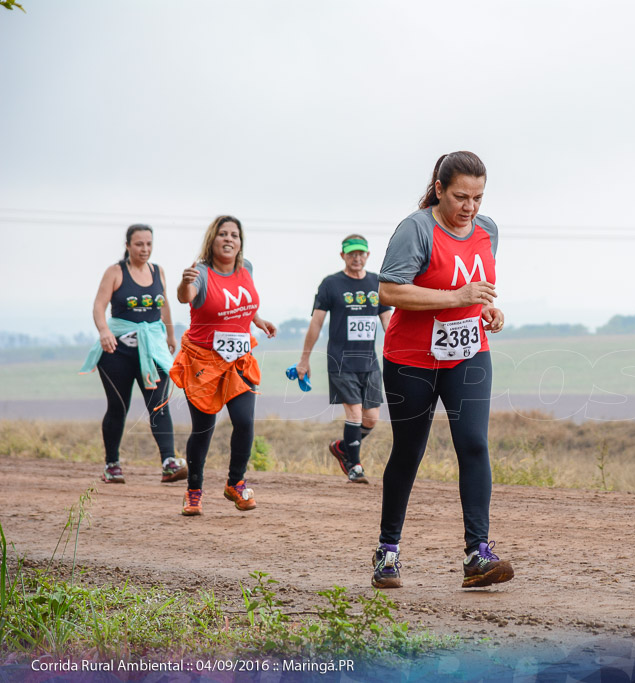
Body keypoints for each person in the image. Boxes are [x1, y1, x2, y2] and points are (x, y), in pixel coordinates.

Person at [372, 151, 514, 590]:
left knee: (473, 444)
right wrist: (457, 298)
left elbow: (479, 287)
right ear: (438, 189)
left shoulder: (487, 230)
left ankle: (477, 554)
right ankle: (387, 552)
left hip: (469, 353)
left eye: (477, 197)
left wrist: (489, 310)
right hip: (412, 359)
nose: (470, 207)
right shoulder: (416, 229)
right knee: (409, 451)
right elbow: (390, 291)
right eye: (460, 196)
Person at [170, 215, 277, 516]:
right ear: (212, 240)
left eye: (235, 235)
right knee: (204, 429)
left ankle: (236, 483)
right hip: (202, 361)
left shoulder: (247, 269)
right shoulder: (201, 273)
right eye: (223, 234)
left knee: (244, 422)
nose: (229, 239)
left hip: (239, 359)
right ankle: (193, 491)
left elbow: (241, 304)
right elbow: (185, 298)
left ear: (240, 242)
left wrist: (258, 320)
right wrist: (184, 283)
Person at [81, 224, 185, 485]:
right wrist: (104, 331)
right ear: (127, 245)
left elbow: (165, 304)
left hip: (152, 350)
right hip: (117, 352)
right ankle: (112, 465)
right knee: (118, 407)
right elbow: (98, 305)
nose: (145, 249)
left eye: (149, 243)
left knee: (159, 405)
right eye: (139, 244)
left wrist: (171, 336)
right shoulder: (115, 272)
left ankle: (169, 463)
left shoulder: (158, 271)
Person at [294, 235, 392, 484]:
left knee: (371, 419)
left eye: (361, 253)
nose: (356, 258)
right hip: (341, 360)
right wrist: (304, 360)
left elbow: (388, 322)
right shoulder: (331, 284)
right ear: (343, 256)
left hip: (369, 362)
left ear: (368, 255)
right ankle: (355, 466)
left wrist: (402, 352)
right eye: (351, 254)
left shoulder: (376, 283)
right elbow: (316, 323)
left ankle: (342, 447)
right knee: (355, 414)